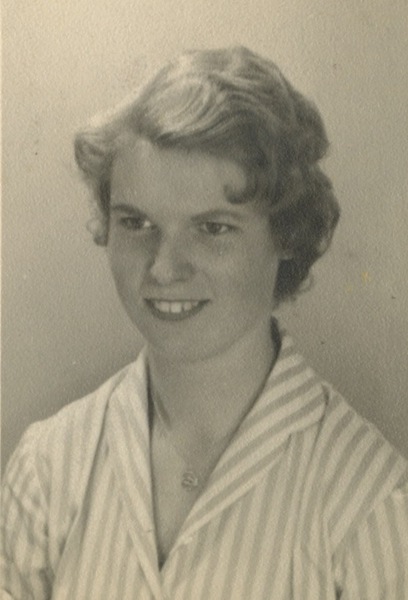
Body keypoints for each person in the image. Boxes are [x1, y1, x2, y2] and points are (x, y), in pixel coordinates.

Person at [1, 46, 407, 600]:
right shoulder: (48, 468)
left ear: (287, 234)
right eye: (136, 223)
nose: (164, 268)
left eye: (213, 228)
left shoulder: (370, 505)